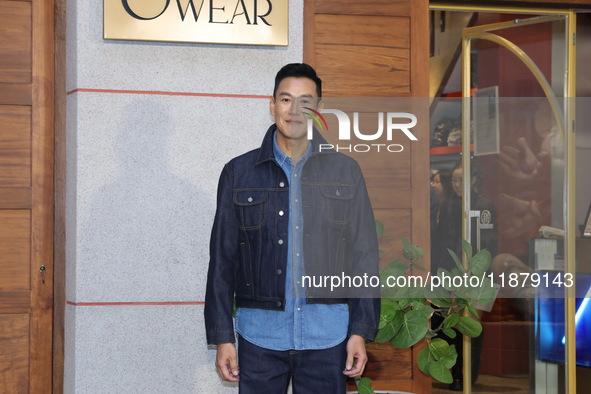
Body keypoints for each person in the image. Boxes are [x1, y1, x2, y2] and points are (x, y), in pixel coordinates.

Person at [204, 63, 380, 394]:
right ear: (272, 105)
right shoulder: (238, 173)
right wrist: (223, 337)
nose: (294, 110)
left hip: (328, 337)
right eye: (286, 100)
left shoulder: (346, 171)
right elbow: (222, 262)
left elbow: (364, 257)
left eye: (305, 101)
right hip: (260, 337)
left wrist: (359, 330)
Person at [431, 160, 497, 391]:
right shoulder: (448, 205)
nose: (457, 185)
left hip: (478, 276)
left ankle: (467, 375)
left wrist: (470, 275)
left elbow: (486, 246)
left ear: (475, 180)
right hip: (450, 275)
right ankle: (457, 373)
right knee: (450, 326)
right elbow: (443, 243)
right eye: (455, 180)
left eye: (462, 180)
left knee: (469, 327)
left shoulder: (485, 206)